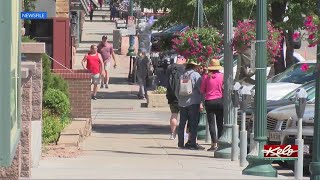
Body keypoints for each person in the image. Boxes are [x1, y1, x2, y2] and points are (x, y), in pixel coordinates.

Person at [176, 60, 205, 150]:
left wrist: (180, 99)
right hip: (193, 102)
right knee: (193, 123)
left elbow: (177, 91)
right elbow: (201, 90)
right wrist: (202, 101)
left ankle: (180, 142)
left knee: (182, 123)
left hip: (182, 103)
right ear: (194, 66)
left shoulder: (181, 76)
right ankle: (192, 143)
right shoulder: (196, 75)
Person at [200, 59, 224, 151]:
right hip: (219, 100)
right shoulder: (222, 76)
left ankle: (214, 144)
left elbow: (202, 90)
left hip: (209, 101)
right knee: (220, 123)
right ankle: (220, 143)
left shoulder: (206, 77)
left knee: (211, 124)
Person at [166, 55, 186, 140]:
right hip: (182, 94)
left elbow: (167, 79)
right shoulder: (184, 68)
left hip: (172, 95)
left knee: (174, 115)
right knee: (184, 116)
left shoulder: (170, 67)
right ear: (182, 59)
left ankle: (173, 134)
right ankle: (183, 134)